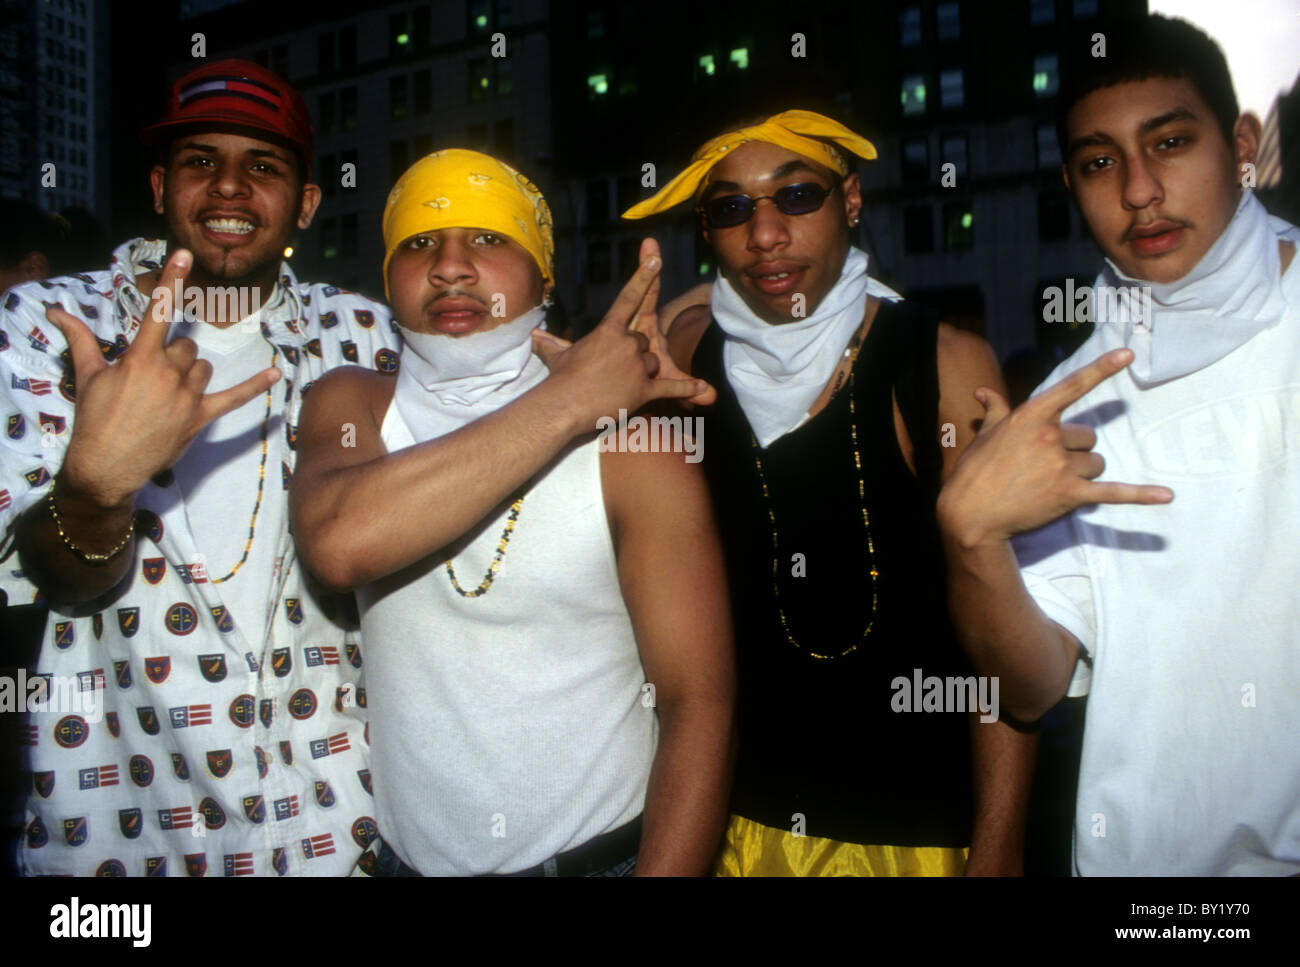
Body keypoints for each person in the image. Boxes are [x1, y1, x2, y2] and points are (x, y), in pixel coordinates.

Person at [0, 60, 401, 876]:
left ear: (307, 202)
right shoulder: (48, 323)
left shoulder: (364, 334)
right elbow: (42, 574)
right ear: (158, 186)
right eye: (198, 162)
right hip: (119, 843)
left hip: (338, 827)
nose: (227, 189)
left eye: (262, 166)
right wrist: (96, 487)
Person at [290, 149, 734, 876]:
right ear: (388, 280)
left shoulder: (634, 445)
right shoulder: (352, 405)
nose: (451, 267)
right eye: (420, 242)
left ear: (546, 278)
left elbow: (700, 705)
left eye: (491, 239)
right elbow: (340, 543)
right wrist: (570, 399)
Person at [623, 109, 1036, 875]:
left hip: (919, 839)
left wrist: (1002, 842)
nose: (766, 235)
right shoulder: (683, 359)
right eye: (732, 209)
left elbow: (1005, 628)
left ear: (851, 200)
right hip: (736, 834)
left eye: (798, 196)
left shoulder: (942, 365)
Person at [935, 14, 1300, 875]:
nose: (1138, 190)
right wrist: (972, 540)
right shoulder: (1075, 393)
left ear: (1241, 142)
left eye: (1170, 142)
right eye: (1100, 162)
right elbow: (1031, 686)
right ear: (1070, 181)